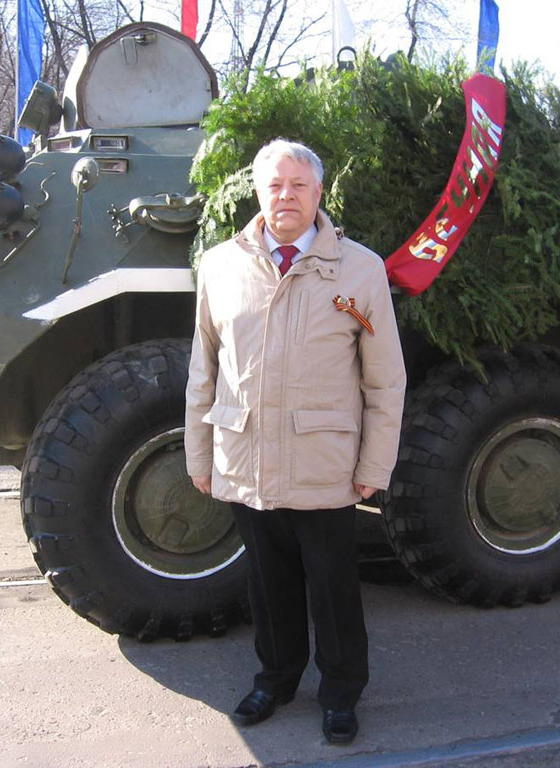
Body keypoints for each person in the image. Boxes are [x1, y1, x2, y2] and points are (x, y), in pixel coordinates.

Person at [185, 138, 406, 745]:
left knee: (333, 591)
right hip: (247, 459)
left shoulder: (359, 270)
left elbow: (385, 379)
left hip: (324, 463)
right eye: (275, 185)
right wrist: (200, 455)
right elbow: (204, 370)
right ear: (258, 192)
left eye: (299, 185)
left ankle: (340, 694)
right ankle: (276, 680)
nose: (286, 195)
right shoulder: (221, 267)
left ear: (318, 193)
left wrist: (374, 465)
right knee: (267, 585)